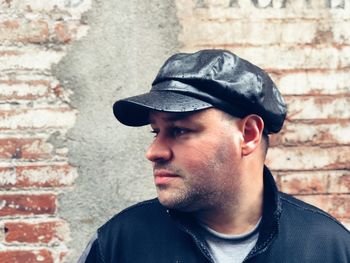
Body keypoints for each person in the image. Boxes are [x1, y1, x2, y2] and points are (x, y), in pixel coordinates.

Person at [78, 50, 350, 263]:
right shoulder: (119, 243)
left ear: (249, 134)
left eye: (180, 130)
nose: (154, 152)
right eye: (155, 131)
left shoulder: (327, 247)